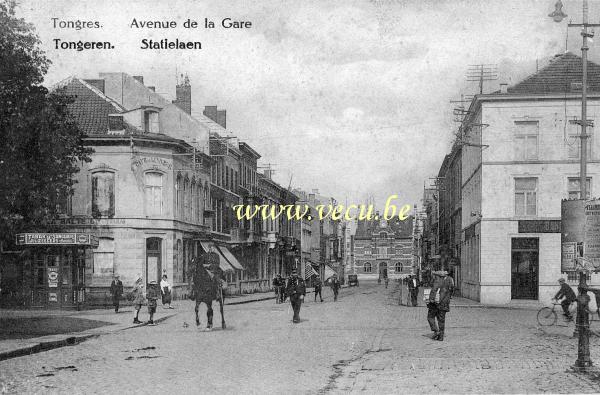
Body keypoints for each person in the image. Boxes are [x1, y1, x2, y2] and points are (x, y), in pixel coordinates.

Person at [427, 270, 454, 341]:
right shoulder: (449, 281)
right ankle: (441, 336)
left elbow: (433, 291)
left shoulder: (437, 281)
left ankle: (436, 330)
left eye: (436, 275)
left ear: (438, 276)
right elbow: (451, 291)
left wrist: (431, 299)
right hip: (444, 304)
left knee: (430, 317)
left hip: (436, 304)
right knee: (441, 320)